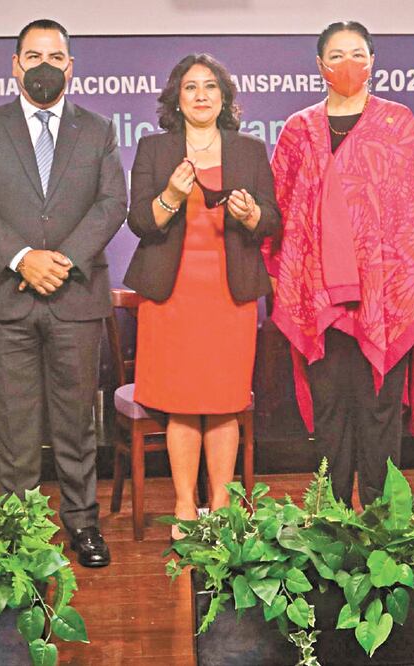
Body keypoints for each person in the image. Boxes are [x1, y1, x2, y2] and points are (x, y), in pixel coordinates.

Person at [266, 21, 414, 506]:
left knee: (379, 409)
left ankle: (379, 522)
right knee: (331, 409)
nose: (347, 64)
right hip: (320, 297)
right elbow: (282, 211)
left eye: (357, 53)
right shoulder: (298, 131)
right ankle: (330, 522)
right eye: (336, 55)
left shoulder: (398, 125)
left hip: (387, 296)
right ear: (320, 66)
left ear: (373, 62)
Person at [0, 19, 127, 567]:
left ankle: (83, 525)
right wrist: (23, 258)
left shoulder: (98, 129)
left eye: (56, 56)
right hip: (6, 296)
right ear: (16, 65)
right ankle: (20, 531)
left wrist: (64, 260)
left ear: (71, 66)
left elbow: (111, 204)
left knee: (77, 421)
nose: (45, 66)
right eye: (33, 56)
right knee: (15, 423)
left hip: (75, 297)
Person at [124, 54, 280, 538]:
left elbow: (272, 220)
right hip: (171, 299)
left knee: (225, 401)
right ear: (177, 98)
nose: (201, 95)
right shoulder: (154, 149)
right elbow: (140, 223)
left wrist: (252, 213)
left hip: (228, 298)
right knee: (182, 402)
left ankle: (223, 507)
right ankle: (186, 507)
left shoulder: (250, 150)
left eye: (210, 87)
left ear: (224, 98)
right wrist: (171, 193)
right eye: (190, 88)